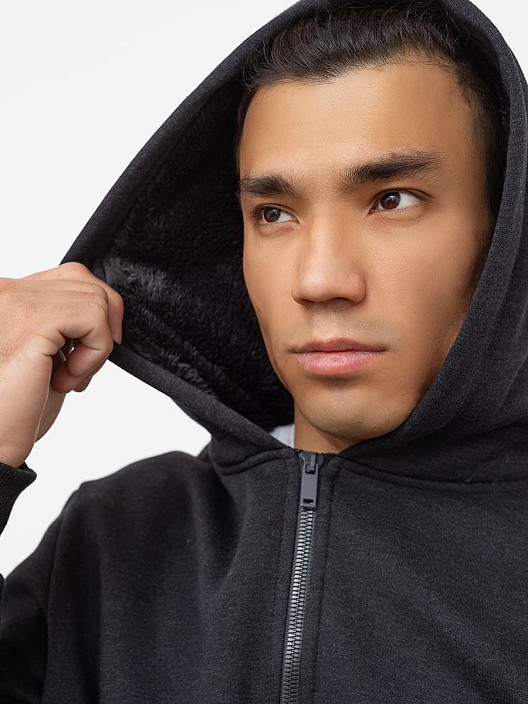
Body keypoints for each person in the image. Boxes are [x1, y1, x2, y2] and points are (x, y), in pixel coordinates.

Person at [0, 0, 526, 700]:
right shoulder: (114, 539)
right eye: (274, 214)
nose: (319, 280)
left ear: (504, 231)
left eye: (393, 199)